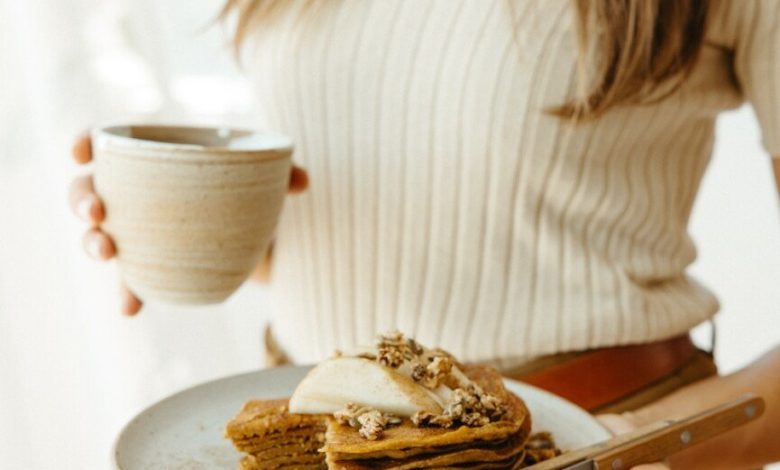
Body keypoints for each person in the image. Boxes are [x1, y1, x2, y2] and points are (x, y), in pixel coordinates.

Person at [69, 0, 780, 468]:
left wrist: (626, 447)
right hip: (309, 445)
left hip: (575, 441)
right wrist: (179, 227)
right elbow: (382, 238)